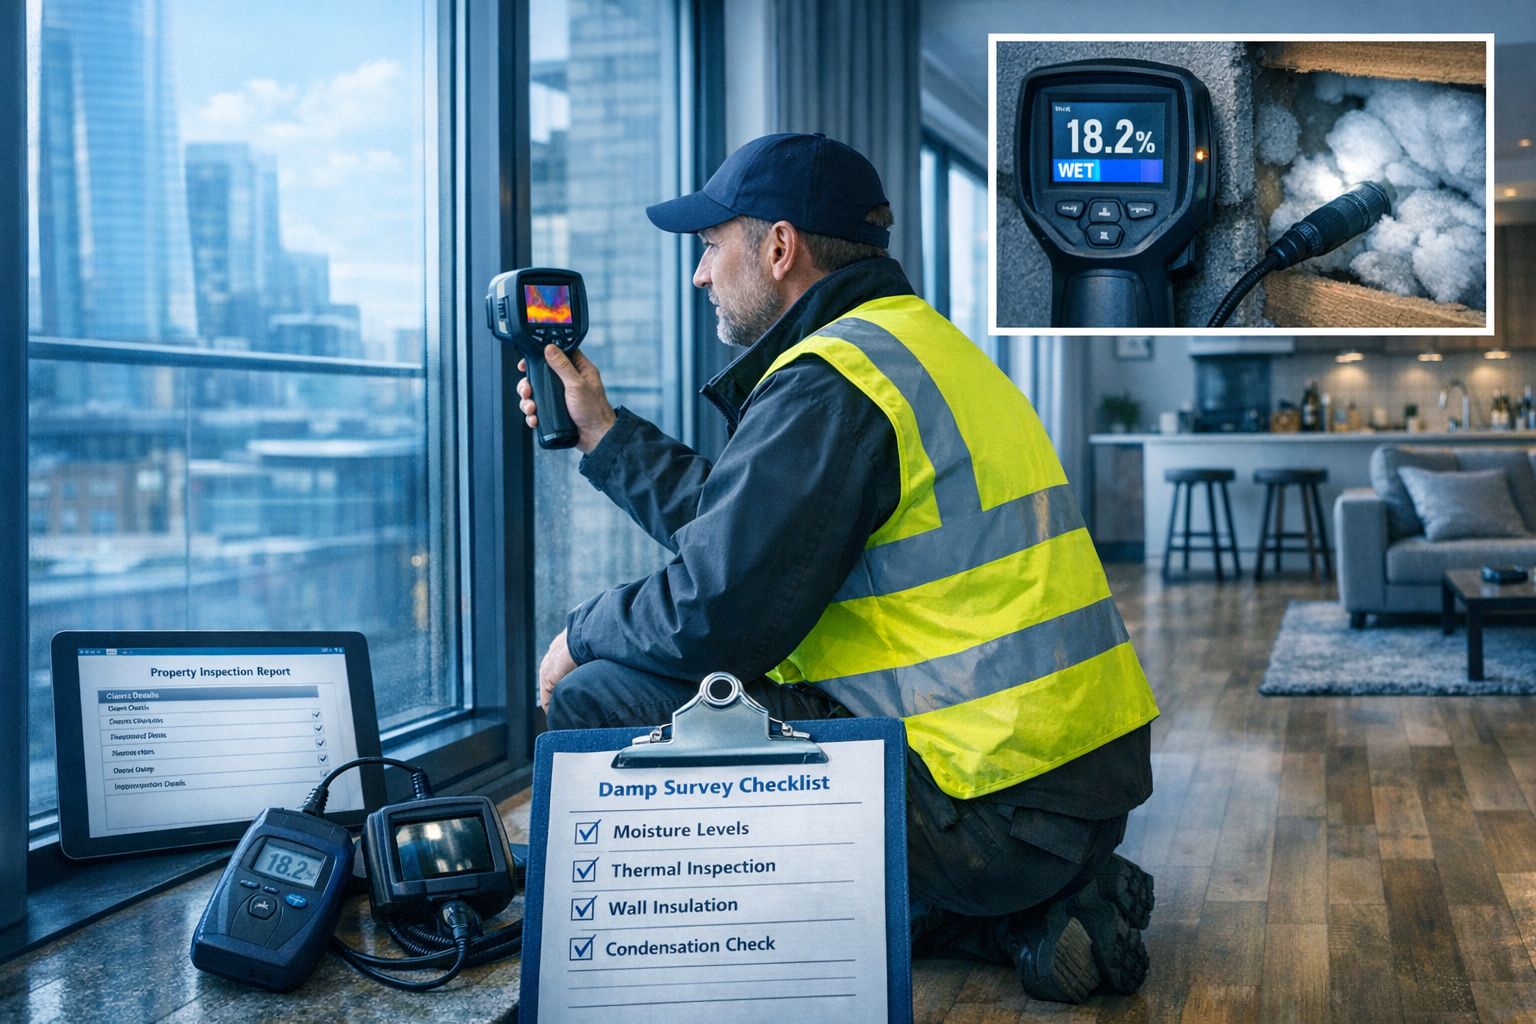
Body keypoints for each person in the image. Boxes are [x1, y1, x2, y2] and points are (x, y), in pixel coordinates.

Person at [517, 132, 1159, 1003]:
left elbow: (716, 614)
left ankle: (993, 915)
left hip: (993, 808)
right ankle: (1044, 907)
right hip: (1072, 783)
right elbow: (754, 538)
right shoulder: (916, 348)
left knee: (600, 697)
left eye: (711, 248)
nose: (701, 275)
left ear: (779, 248)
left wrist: (576, 634)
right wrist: (602, 431)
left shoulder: (833, 382)